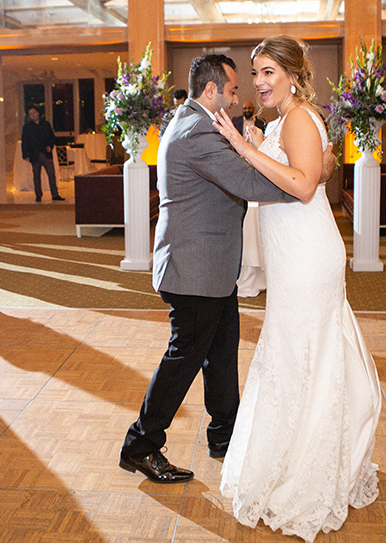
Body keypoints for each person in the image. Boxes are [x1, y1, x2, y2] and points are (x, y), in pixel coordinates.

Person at [119, 52, 337, 484]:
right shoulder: (197, 131)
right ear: (212, 90)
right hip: (194, 272)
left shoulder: (193, 122)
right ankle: (141, 444)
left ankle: (224, 435)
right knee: (183, 358)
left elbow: (240, 171)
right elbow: (248, 182)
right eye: (235, 89)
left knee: (220, 355)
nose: (240, 98)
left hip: (210, 269)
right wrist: (310, 179)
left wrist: (285, 164)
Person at [214, 36, 381, 542]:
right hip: (290, 257)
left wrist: (245, 147)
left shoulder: (301, 117)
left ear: (291, 73)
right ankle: (291, 454)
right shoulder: (283, 121)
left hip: (309, 258)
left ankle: (308, 469)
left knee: (302, 353)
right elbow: (318, 168)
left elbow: (306, 185)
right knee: (290, 354)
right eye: (255, 72)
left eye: (269, 72)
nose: (260, 82)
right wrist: (257, 141)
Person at [21, 106, 65, 202]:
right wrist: (25, 154)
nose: (33, 115)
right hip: (34, 155)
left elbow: (52, 137)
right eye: (30, 114)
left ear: (38, 113)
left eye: (34, 112)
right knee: (36, 176)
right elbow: (25, 142)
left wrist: (50, 146)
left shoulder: (46, 124)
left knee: (51, 174)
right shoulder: (27, 127)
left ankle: (55, 194)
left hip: (46, 154)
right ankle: (38, 195)